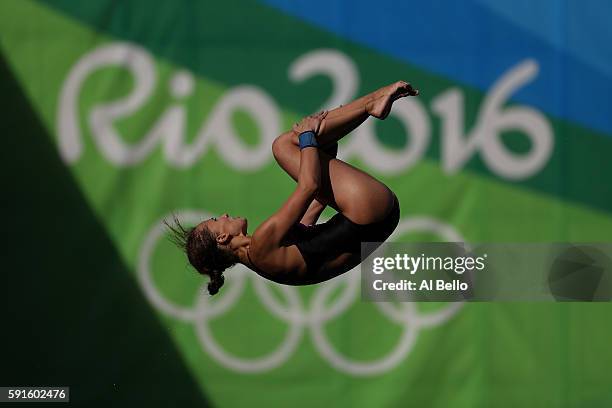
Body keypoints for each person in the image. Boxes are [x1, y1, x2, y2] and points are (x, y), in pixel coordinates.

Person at [167, 81, 419, 294]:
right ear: (222, 238)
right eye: (215, 220)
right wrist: (309, 137)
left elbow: (316, 203)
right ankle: (371, 102)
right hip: (367, 211)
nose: (222, 215)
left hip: (379, 219)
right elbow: (309, 186)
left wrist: (319, 146)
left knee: (302, 142)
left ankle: (372, 103)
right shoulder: (262, 243)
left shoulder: (264, 259)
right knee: (283, 146)